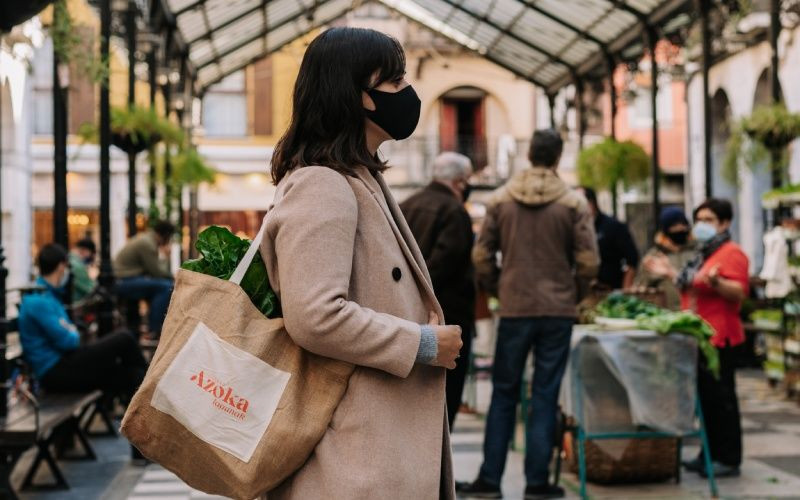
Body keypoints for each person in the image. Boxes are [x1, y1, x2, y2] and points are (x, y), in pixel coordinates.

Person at [260, 27, 461, 499]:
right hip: (353, 457)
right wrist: (424, 344)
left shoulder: (358, 177)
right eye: (392, 83)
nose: (406, 95)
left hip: (372, 442)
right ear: (353, 96)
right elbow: (315, 316)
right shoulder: (323, 185)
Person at [460, 129, 599, 500]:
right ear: (556, 158)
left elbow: (481, 256)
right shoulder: (572, 203)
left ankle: (490, 479)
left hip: (515, 306)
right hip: (557, 309)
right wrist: (576, 293)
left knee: (504, 393)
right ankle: (537, 483)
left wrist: (496, 288)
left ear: (530, 155)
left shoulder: (501, 200)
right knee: (545, 393)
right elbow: (588, 261)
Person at [644, 198, 748, 478]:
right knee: (707, 399)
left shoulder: (731, 252)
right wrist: (668, 272)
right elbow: (691, 281)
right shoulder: (705, 253)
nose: (702, 225)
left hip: (720, 336)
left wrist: (718, 283)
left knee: (722, 399)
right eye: (699, 219)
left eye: (709, 220)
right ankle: (709, 453)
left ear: (725, 223)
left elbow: (738, 291)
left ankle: (728, 458)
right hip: (700, 336)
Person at [400, 151, 476, 428]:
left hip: (406, 318)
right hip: (447, 320)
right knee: (445, 399)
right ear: (459, 182)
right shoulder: (455, 211)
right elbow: (446, 264)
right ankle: (439, 470)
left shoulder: (405, 206)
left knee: (412, 402)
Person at [18, 244, 147, 399]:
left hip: (63, 364)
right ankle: (153, 387)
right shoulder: (38, 300)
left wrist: (69, 328)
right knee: (124, 339)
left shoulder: (47, 295)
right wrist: (70, 329)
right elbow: (69, 340)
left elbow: (67, 331)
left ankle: (145, 409)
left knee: (131, 375)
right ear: (61, 266)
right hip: (54, 371)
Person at [113, 220, 175, 336]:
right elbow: (157, 272)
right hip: (123, 281)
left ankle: (151, 326)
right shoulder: (148, 244)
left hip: (123, 279)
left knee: (162, 285)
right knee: (165, 287)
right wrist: (167, 257)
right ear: (166, 236)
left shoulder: (146, 239)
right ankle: (154, 329)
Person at [579, 186, 639, 290]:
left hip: (611, 290)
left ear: (591, 203)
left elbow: (632, 260)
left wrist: (625, 290)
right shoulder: (575, 228)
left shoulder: (613, 226)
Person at [636, 207, 696, 310]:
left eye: (683, 225)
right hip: (667, 315)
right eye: (674, 226)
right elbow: (640, 288)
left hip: (695, 312)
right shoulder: (654, 256)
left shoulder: (697, 252)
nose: (680, 229)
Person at [70, 238, 97, 302]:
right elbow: (90, 289)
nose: (90, 257)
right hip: (77, 303)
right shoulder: (78, 266)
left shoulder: (70, 259)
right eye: (91, 254)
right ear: (84, 250)